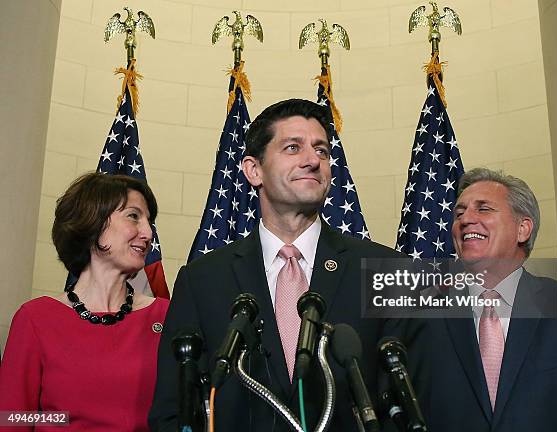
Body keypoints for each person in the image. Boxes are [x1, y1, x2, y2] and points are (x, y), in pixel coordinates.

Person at [149, 99, 416, 431]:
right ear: (253, 170)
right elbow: (173, 410)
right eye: (293, 148)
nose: (312, 161)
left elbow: (410, 404)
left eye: (322, 151)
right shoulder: (202, 280)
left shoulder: (385, 270)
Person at [425, 167, 557, 432]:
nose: (465, 219)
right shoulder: (424, 315)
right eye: (459, 212)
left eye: (484, 209)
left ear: (522, 229)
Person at [0, 173, 170, 431]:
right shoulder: (36, 318)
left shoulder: (165, 316)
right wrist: (63, 419)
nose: (148, 233)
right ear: (94, 221)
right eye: (134, 216)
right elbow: (12, 418)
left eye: (150, 222)